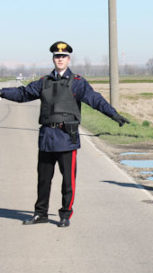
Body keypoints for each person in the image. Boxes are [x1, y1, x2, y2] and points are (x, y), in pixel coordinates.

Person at [0, 41, 129, 227]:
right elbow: (23, 94)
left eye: (63, 56)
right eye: (57, 56)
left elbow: (95, 100)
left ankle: (65, 215)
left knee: (68, 181)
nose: (60, 59)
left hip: (67, 138)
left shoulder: (77, 83)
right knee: (43, 180)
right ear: (53, 58)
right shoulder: (44, 82)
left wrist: (114, 115)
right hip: (47, 137)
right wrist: (2, 92)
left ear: (68, 59)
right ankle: (40, 213)